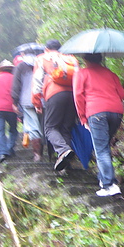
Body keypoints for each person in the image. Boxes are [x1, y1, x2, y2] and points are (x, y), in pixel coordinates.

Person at [73, 53, 124, 196]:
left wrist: (83, 118)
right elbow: (121, 94)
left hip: (96, 112)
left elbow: (78, 96)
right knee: (104, 146)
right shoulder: (111, 73)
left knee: (101, 149)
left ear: (85, 59)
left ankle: (110, 185)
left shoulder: (82, 74)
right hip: (116, 112)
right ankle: (103, 179)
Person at [32, 39, 79, 171]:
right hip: (72, 95)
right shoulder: (71, 59)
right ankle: (66, 165)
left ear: (46, 49)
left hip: (54, 94)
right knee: (65, 129)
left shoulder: (42, 58)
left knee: (50, 128)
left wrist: (37, 101)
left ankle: (63, 150)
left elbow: (37, 82)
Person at [11, 52, 44, 161]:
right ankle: (48, 152)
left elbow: (16, 85)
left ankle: (37, 154)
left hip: (27, 101)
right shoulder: (42, 63)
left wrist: (15, 102)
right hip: (43, 100)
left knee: (33, 127)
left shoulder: (21, 66)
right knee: (43, 126)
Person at [0, 59, 19, 163]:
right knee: (13, 129)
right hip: (11, 108)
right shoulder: (15, 78)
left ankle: (2, 153)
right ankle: (10, 148)